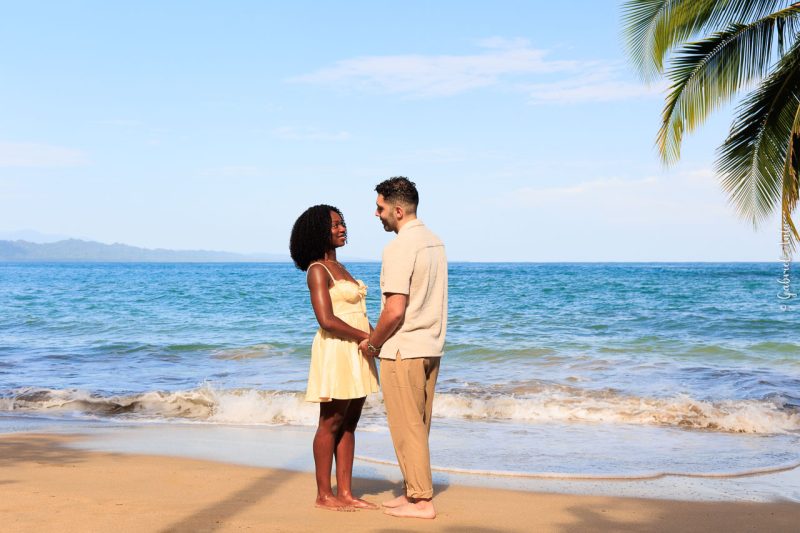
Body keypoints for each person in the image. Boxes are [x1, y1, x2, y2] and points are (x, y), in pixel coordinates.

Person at [358, 177, 447, 520]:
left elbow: (395, 308)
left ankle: (422, 500)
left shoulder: (399, 247)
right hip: (430, 345)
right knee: (419, 424)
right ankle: (413, 493)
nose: (376, 214)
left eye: (380, 208)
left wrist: (373, 343)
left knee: (406, 426)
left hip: (403, 348)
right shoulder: (435, 243)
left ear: (397, 210)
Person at [289, 204, 380, 511]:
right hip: (337, 350)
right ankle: (323, 494)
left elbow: (357, 315)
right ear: (319, 231)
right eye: (335, 225)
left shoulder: (343, 269)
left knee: (350, 423)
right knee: (330, 422)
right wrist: (365, 339)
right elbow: (326, 319)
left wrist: (378, 339)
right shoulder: (318, 270)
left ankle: (345, 493)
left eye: (343, 224)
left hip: (357, 348)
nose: (342, 229)